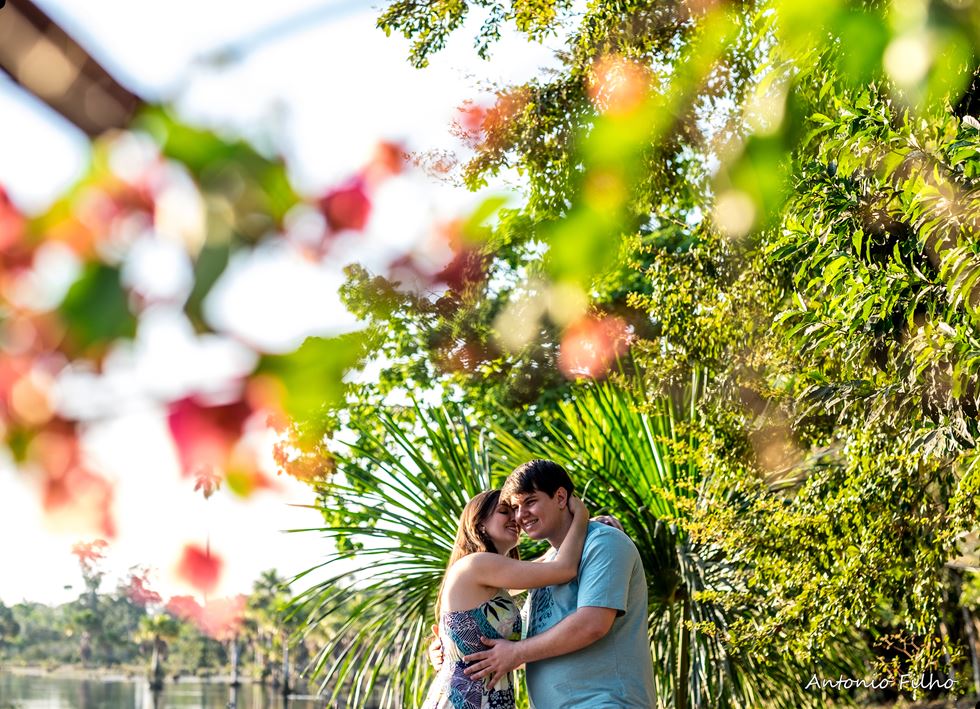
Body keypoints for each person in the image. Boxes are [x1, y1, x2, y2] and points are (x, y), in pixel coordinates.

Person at [461, 459, 656, 708]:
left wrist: (515, 653)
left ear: (561, 498)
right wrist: (451, 648)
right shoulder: (549, 567)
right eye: (515, 507)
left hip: (606, 702)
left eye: (530, 502)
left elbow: (592, 624)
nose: (520, 515)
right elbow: (527, 642)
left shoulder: (604, 543)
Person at [421, 488, 590, 709]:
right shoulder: (477, 564)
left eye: (515, 511)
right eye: (504, 511)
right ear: (479, 524)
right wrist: (582, 517)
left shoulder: (490, 581)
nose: (516, 518)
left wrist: (589, 527)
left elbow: (547, 563)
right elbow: (563, 568)